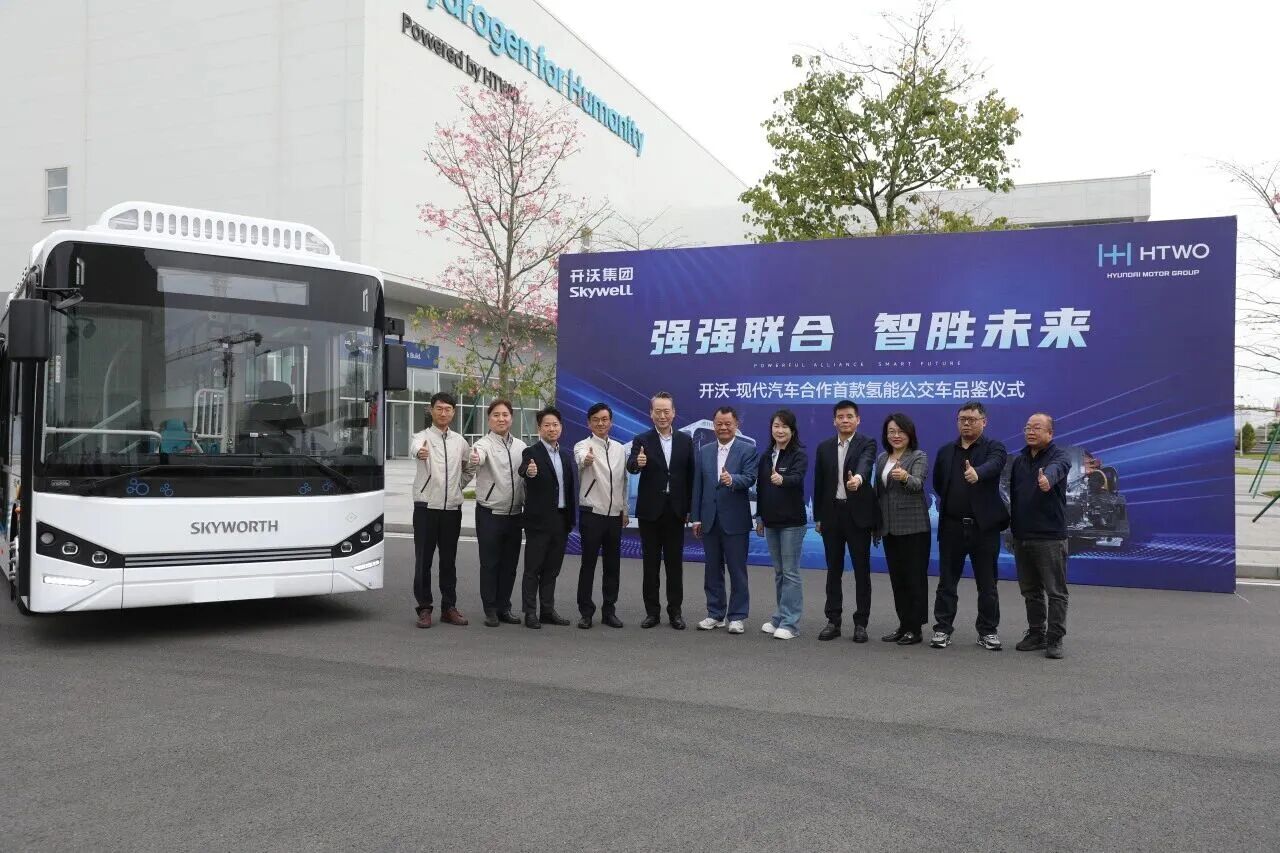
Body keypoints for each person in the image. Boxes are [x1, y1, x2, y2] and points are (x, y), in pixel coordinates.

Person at [930, 401, 1009, 650]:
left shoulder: (995, 447)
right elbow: (938, 483)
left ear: (984, 422)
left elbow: (995, 465)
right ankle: (942, 629)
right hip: (952, 526)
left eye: (972, 419)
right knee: (947, 582)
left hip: (983, 528)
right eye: (962, 419)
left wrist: (978, 473)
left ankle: (987, 631)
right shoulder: (946, 451)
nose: (966, 423)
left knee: (987, 584)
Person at [627, 392, 695, 630]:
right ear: (651, 413)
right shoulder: (642, 440)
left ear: (674, 413)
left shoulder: (685, 440)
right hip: (650, 512)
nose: (662, 416)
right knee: (650, 565)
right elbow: (631, 465)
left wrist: (690, 509)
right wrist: (637, 464)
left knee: (674, 566)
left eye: (666, 411)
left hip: (675, 512)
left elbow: (691, 476)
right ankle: (652, 613)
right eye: (658, 411)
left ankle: (675, 613)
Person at [812, 400, 877, 643]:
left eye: (850, 416)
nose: (845, 420)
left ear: (858, 419)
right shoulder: (824, 447)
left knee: (862, 571)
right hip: (832, 515)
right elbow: (819, 484)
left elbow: (866, 464)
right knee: (833, 570)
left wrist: (857, 479)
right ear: (834, 421)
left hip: (857, 515)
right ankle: (833, 621)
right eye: (840, 416)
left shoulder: (867, 443)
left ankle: (861, 623)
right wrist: (818, 516)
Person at [1008, 412, 1072, 659]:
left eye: (1036, 427)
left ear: (1050, 433)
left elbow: (1057, 470)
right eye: (1028, 427)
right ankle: (1036, 633)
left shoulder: (1060, 456)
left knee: (1055, 591)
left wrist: (1047, 480)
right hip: (1023, 534)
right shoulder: (1019, 461)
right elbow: (1015, 497)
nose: (1030, 431)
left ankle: (1055, 638)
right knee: (1030, 590)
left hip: (1049, 536)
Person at [690, 406, 758, 634]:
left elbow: (750, 478)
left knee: (737, 571)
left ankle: (737, 616)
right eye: (719, 424)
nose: (723, 428)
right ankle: (715, 614)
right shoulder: (704, 451)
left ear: (737, 424)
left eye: (728, 423)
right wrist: (696, 518)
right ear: (714, 425)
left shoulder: (747, 450)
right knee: (712, 570)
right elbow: (698, 486)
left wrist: (732, 480)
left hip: (735, 520)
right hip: (709, 520)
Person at [410, 392, 474, 629]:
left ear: (453, 412)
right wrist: (420, 452)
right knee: (423, 561)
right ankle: (424, 608)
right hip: (426, 507)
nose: (443, 413)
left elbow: (469, 468)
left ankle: (449, 607)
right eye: (439, 408)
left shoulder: (460, 442)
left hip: (452, 509)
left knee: (449, 561)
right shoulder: (421, 437)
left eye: (448, 409)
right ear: (431, 410)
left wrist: (458, 486)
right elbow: (416, 448)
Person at [468, 399, 527, 628]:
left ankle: (504, 607)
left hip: (515, 514)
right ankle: (490, 609)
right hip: (490, 513)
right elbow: (477, 456)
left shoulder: (521, 446)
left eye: (505, 415)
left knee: (510, 565)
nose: (501, 419)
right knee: (490, 564)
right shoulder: (483, 444)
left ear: (511, 418)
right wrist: (475, 458)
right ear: (489, 419)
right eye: (496, 415)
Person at [873, 413, 931, 646]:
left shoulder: (918, 456)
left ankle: (915, 629)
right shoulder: (881, 458)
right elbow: (879, 494)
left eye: (900, 431)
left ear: (909, 434)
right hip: (889, 528)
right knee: (898, 580)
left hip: (913, 527)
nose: (896, 436)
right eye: (891, 431)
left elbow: (918, 484)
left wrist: (906, 477)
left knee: (914, 578)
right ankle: (904, 624)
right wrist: (876, 526)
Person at [518, 406, 577, 628]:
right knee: (533, 569)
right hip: (539, 521)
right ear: (539, 428)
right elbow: (524, 469)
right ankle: (530, 612)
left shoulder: (565, 455)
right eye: (547, 425)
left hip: (561, 520)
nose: (552, 429)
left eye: (555, 425)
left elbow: (569, 488)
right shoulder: (531, 452)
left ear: (561, 427)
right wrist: (528, 471)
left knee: (552, 569)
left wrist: (570, 519)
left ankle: (547, 610)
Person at [753, 409, 808, 641]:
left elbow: (797, 477)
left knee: (790, 572)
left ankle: (790, 623)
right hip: (771, 521)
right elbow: (761, 488)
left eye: (784, 426)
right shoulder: (766, 456)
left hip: (792, 523)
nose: (780, 430)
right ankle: (780, 616)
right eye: (776, 426)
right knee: (779, 572)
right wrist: (759, 517)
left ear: (792, 430)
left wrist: (782, 479)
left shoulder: (799, 455)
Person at [574, 402, 629, 629]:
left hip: (614, 515)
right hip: (592, 513)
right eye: (596, 420)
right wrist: (586, 459)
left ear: (611, 422)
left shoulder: (620, 449)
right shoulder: (582, 446)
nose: (600, 423)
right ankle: (586, 612)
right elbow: (580, 459)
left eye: (604, 419)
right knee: (588, 564)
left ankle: (609, 611)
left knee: (612, 566)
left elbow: (623, 482)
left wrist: (624, 509)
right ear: (589, 423)